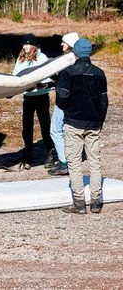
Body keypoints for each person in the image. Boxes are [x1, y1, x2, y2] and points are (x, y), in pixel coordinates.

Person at [57, 39, 108, 214]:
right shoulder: (100, 73)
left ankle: (79, 203)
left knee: (74, 161)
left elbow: (62, 97)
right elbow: (103, 101)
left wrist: (68, 110)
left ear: (75, 53)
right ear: (90, 53)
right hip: (93, 123)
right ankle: (96, 201)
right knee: (95, 161)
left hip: (73, 122)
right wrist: (99, 121)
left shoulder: (68, 72)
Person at [12, 34, 55, 169]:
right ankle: (28, 151)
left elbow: (48, 76)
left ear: (34, 45)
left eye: (27, 44)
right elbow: (15, 76)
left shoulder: (42, 58)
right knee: (27, 126)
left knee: (45, 124)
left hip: (41, 96)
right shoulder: (21, 59)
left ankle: (50, 152)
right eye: (23, 44)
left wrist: (40, 84)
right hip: (28, 96)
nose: (24, 47)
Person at [48, 32, 80, 176]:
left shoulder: (67, 61)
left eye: (64, 42)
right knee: (69, 131)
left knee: (55, 130)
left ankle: (64, 162)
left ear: (70, 45)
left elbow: (66, 82)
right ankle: (70, 160)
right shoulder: (78, 60)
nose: (61, 44)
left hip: (64, 102)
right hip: (74, 102)